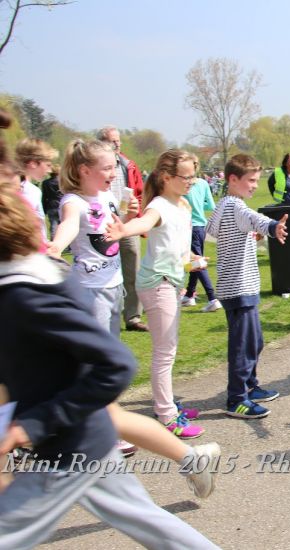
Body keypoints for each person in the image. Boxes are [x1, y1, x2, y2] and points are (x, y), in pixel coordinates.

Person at [0, 186, 219, 549]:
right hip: (83, 440)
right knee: (151, 524)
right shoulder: (15, 291)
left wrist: (35, 423)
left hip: (68, 449)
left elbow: (116, 364)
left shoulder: (26, 296)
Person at [104, 150, 206, 439]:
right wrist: (123, 230)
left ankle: (168, 404)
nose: (191, 182)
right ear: (166, 177)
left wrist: (192, 260)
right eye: (186, 177)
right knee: (165, 351)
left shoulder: (183, 204)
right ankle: (167, 414)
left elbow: (177, 246)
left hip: (172, 281)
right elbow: (144, 223)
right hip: (157, 283)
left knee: (169, 347)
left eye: (193, 176)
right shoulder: (159, 205)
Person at [207, 154, 287, 419]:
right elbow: (254, 218)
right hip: (239, 288)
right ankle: (237, 399)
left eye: (256, 180)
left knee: (254, 341)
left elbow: (211, 230)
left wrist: (248, 234)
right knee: (244, 346)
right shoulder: (235, 206)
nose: (255, 185)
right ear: (233, 179)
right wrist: (273, 226)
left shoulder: (224, 204)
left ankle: (250, 386)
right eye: (251, 180)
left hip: (235, 286)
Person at [47, 140, 128, 336]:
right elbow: (70, 224)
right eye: (107, 168)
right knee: (99, 347)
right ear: (85, 171)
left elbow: (115, 228)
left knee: (112, 343)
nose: (114, 174)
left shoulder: (107, 196)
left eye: (115, 166)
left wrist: (129, 216)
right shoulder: (74, 201)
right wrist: (57, 245)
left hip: (115, 282)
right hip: (91, 288)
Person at [97, 126, 147, 332]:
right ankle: (105, 313)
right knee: (103, 268)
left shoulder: (128, 165)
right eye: (112, 141)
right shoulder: (95, 166)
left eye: (118, 140)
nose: (117, 144)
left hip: (126, 221)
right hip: (103, 223)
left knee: (132, 267)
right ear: (102, 143)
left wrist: (137, 218)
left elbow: (139, 192)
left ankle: (133, 316)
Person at [181, 157, 221, 312]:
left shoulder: (184, 185)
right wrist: (198, 205)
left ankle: (212, 298)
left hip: (190, 227)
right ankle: (189, 295)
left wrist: (192, 206)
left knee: (197, 262)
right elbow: (211, 205)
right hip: (201, 227)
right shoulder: (203, 183)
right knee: (196, 260)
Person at [15, 138, 57, 241]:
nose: (49, 170)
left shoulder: (24, 188)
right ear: (33, 163)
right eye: (47, 165)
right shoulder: (29, 191)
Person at [40, 166, 62, 241]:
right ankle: (66, 243)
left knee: (53, 226)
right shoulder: (62, 182)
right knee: (64, 225)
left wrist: (43, 209)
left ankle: (53, 241)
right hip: (62, 206)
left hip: (51, 206)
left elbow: (44, 196)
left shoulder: (45, 183)